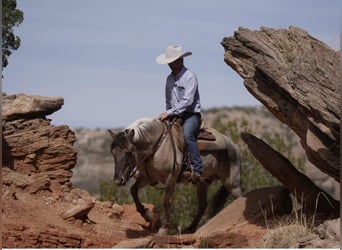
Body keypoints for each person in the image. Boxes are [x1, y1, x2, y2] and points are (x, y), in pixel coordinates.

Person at [156, 45, 203, 182]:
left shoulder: (190, 77)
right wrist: (169, 113)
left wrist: (169, 112)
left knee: (188, 135)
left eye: (173, 61)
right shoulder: (169, 79)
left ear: (181, 60)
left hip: (191, 115)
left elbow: (188, 101)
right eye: (169, 62)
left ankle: (197, 169)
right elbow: (168, 99)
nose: (170, 65)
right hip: (174, 114)